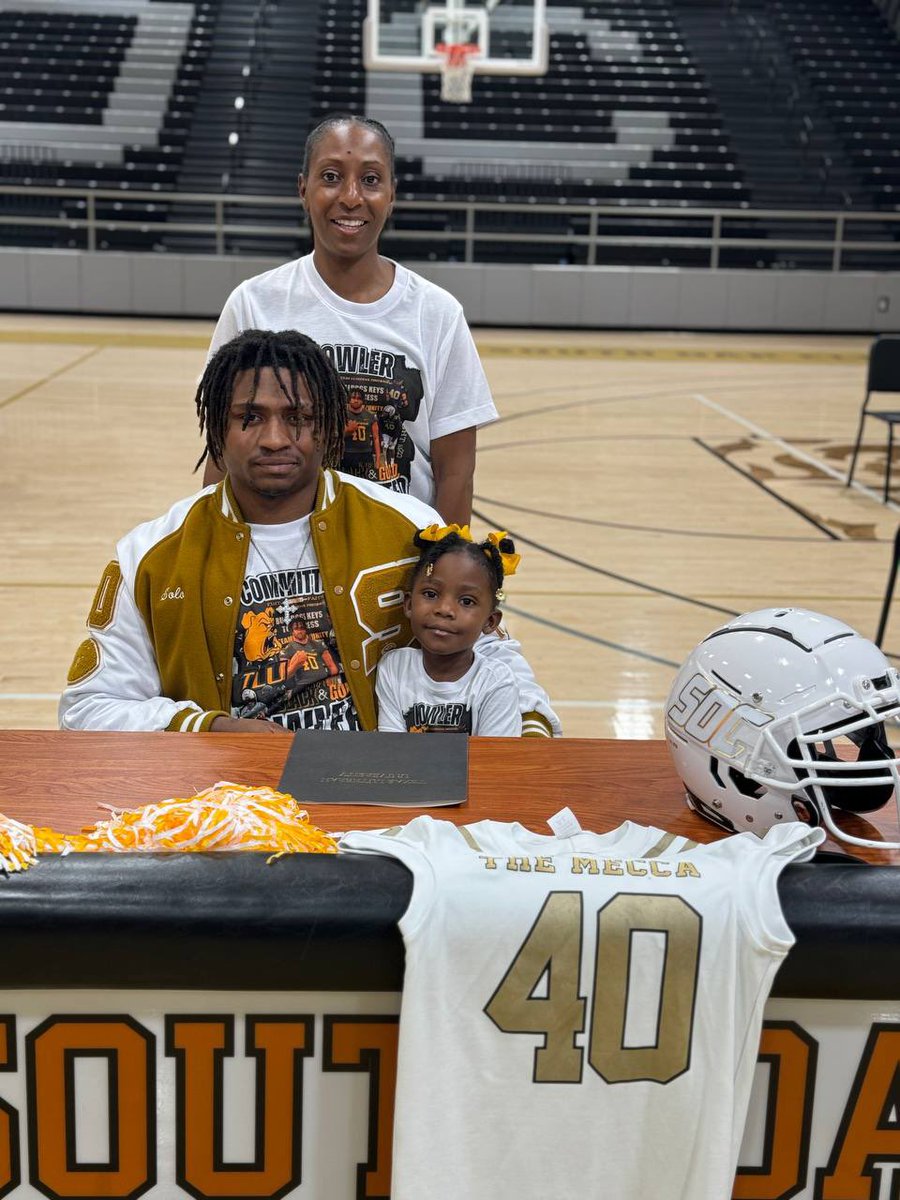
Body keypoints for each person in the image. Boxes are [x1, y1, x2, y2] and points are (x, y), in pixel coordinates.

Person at [59, 329, 558, 736]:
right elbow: (87, 710)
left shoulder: (410, 530)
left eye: (298, 418)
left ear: (329, 428)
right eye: (249, 418)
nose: (275, 439)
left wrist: (532, 732)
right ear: (216, 430)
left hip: (384, 801)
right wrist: (208, 728)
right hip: (230, 805)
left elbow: (494, 657)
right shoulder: (149, 556)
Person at [203, 113, 497, 524]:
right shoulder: (254, 303)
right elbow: (222, 453)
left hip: (401, 556)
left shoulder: (437, 313)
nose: (352, 197)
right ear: (303, 188)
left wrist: (438, 571)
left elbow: (456, 474)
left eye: (372, 179)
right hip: (281, 562)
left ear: (392, 194)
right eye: (331, 176)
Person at [376, 526, 523, 736]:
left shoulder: (496, 682)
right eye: (430, 593)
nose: (444, 610)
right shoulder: (394, 668)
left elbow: (494, 764)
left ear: (490, 622)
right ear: (408, 605)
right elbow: (393, 752)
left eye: (466, 601)